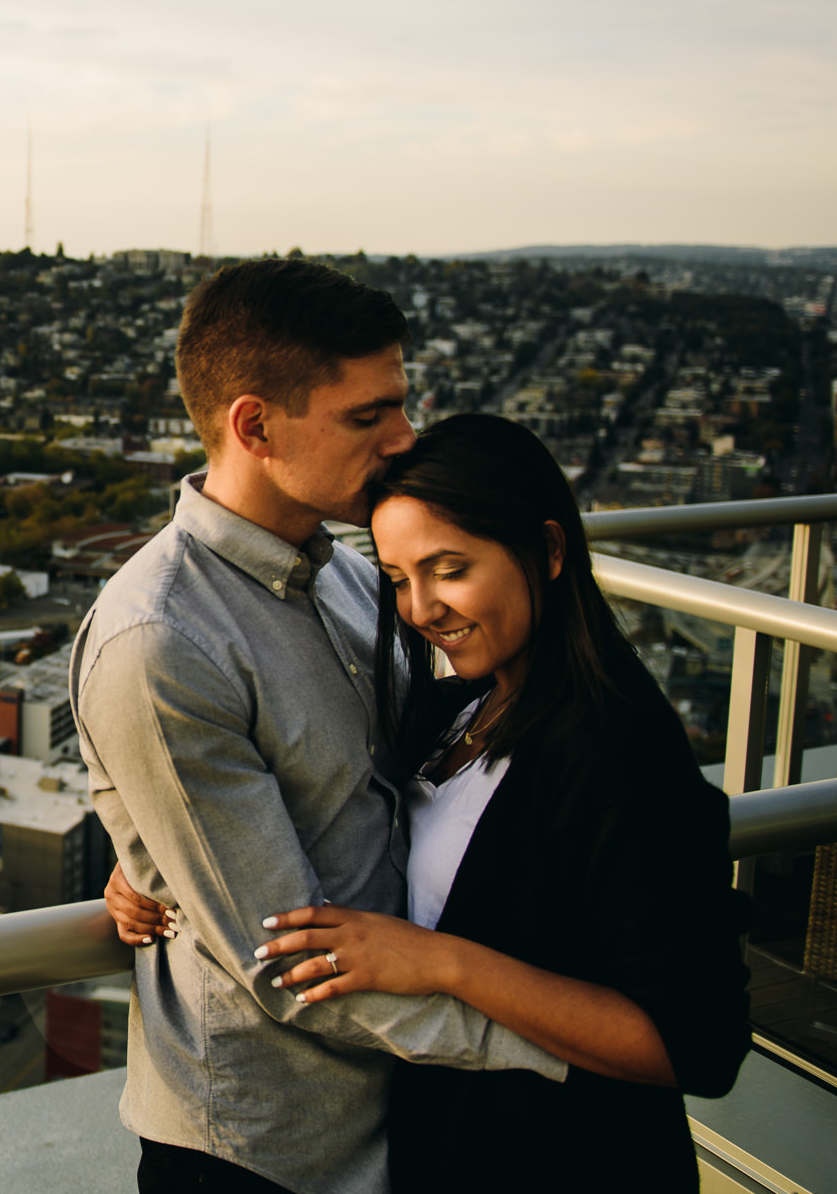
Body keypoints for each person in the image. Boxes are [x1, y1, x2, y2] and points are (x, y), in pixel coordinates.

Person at [71, 260, 567, 1194]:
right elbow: (283, 962)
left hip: (414, 1118)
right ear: (254, 425)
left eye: (400, 405)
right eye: (367, 416)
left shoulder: (348, 571)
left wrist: (155, 851)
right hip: (267, 1150)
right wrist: (571, 1040)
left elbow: (403, 786)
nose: (405, 437)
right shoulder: (163, 643)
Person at [245, 413, 751, 1190]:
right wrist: (152, 875)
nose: (420, 609)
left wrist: (441, 963)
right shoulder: (461, 708)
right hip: (455, 1149)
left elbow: (694, 1046)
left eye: (450, 569)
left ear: (548, 551)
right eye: (398, 579)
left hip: (573, 1163)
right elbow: (329, 805)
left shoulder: (615, 747)